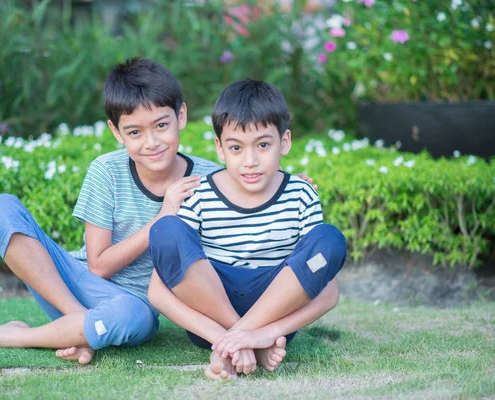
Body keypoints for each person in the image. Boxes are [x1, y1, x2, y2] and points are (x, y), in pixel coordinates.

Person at [0, 58, 317, 365]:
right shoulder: (106, 170)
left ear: (181, 117)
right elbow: (99, 266)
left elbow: (254, 181)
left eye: (161, 126)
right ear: (116, 132)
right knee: (1, 208)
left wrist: (288, 185)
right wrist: (162, 215)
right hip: (76, 286)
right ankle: (76, 324)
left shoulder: (209, 176)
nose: (151, 142)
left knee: (129, 315)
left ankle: (19, 335)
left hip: (139, 307)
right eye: (134, 132)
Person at [148, 78, 346, 380]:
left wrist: (268, 332)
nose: (250, 161)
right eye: (236, 147)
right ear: (220, 149)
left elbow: (328, 289)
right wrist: (228, 337)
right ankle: (237, 341)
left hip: (277, 308)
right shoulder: (200, 196)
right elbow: (157, 290)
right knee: (166, 231)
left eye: (263, 145)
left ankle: (243, 340)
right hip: (210, 310)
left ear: (285, 141)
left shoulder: (301, 195)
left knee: (330, 241)